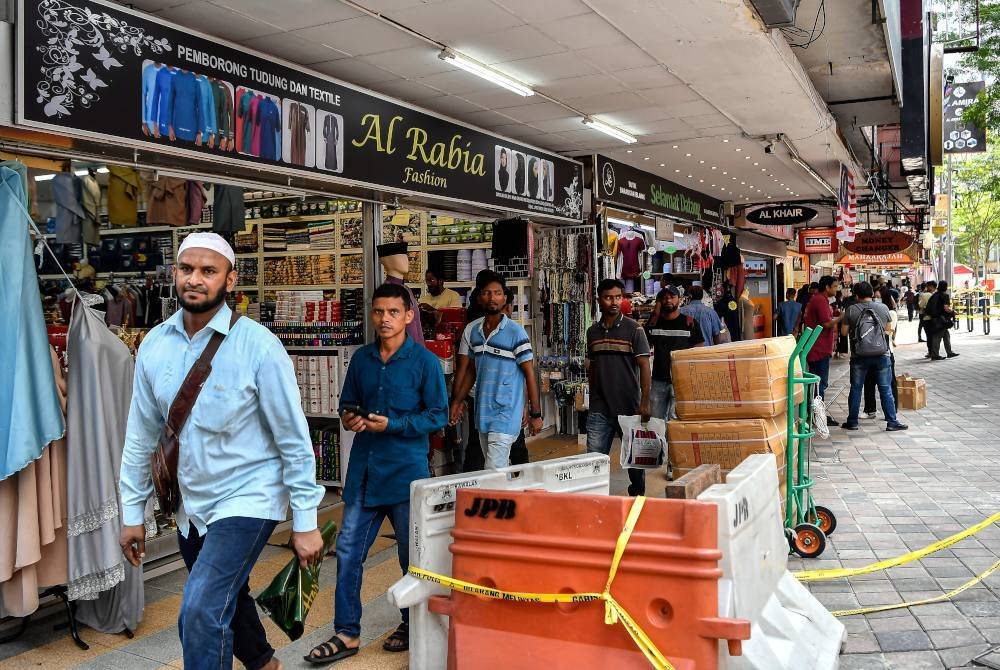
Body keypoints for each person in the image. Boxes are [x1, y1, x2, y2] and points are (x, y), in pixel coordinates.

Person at [119, 233, 325, 670]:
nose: (195, 279)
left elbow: (293, 438)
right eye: (187, 269)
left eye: (208, 271)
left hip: (248, 497)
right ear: (174, 274)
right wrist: (132, 513)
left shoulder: (258, 346)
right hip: (190, 503)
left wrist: (306, 520)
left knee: (199, 610)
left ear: (230, 280)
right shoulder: (154, 344)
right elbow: (141, 435)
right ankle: (265, 665)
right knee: (229, 595)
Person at [306, 283, 448, 662]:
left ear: (408, 316)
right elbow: (346, 405)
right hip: (364, 476)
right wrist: (350, 419)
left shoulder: (425, 363)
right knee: (349, 554)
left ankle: (409, 622)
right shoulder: (362, 360)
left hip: (406, 477)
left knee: (410, 558)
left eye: (392, 312)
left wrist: (394, 425)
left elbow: (438, 415)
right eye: (378, 312)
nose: (384, 319)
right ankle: (346, 633)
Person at [449, 272, 543, 469]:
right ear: (479, 297)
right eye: (487, 293)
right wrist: (457, 402)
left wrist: (535, 412)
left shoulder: (516, 332)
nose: (493, 298)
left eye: (498, 293)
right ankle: (511, 498)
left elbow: (529, 373)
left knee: (492, 471)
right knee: (493, 472)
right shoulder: (474, 331)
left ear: (505, 298)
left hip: (507, 412)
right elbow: (472, 371)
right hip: (483, 412)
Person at [586, 279, 652, 496]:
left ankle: (638, 499)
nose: (614, 302)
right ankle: (596, 499)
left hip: (629, 406)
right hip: (599, 408)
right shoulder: (592, 332)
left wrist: (645, 402)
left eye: (617, 297)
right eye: (608, 297)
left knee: (635, 461)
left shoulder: (634, 330)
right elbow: (592, 367)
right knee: (594, 461)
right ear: (599, 300)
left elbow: (644, 366)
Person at [841, 282, 907, 432]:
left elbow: (844, 333)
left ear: (856, 295)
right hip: (881, 354)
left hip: (859, 356)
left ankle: (852, 422)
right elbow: (889, 330)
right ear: (872, 293)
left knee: (856, 388)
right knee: (885, 389)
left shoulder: (851, 310)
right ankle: (892, 421)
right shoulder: (883, 308)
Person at [644, 285, 703, 422]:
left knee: (676, 423)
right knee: (655, 422)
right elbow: (644, 349)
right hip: (658, 381)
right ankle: (660, 445)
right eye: (664, 298)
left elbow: (699, 352)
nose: (668, 300)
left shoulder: (690, 323)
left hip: (681, 382)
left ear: (679, 300)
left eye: (672, 297)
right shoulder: (653, 324)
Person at [803, 275, 842, 426]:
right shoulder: (819, 300)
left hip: (819, 347)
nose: (836, 289)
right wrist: (841, 317)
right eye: (834, 286)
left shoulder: (820, 300)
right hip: (818, 348)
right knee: (819, 383)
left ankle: (816, 414)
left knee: (818, 383)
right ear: (827, 287)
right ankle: (817, 416)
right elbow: (826, 323)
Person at [862, 286, 900, 419]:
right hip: (871, 351)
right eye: (875, 297)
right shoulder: (873, 311)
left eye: (878, 297)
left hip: (886, 351)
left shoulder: (891, 313)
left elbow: (889, 331)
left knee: (889, 383)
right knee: (869, 381)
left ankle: (893, 410)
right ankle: (870, 409)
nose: (876, 299)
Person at [925, 280, 959, 361]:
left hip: (935, 318)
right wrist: (953, 311)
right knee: (937, 337)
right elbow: (946, 308)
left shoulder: (934, 295)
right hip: (941, 319)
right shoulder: (944, 296)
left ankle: (949, 352)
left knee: (946, 335)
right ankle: (935, 355)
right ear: (946, 287)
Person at [917, 281, 934, 345]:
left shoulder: (920, 293)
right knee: (923, 325)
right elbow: (921, 304)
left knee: (921, 325)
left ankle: (920, 337)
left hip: (921, 312)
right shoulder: (924, 294)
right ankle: (922, 337)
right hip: (924, 312)